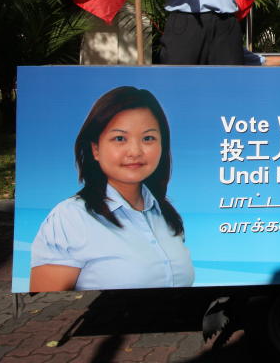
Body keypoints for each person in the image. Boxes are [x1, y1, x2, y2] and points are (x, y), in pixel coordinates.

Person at [30, 87, 193, 292]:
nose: (135, 151)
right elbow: (48, 306)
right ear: (95, 149)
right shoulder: (71, 218)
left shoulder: (165, 214)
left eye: (148, 138)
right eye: (119, 138)